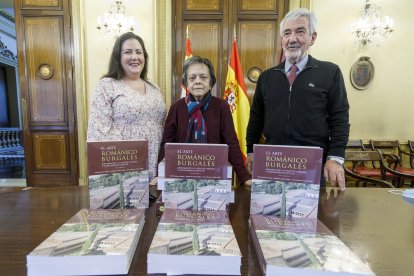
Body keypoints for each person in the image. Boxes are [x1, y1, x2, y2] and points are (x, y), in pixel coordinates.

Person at [246, 8, 349, 191]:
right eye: (287, 33)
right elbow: (256, 119)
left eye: (300, 31)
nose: (292, 39)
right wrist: (251, 151)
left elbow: (339, 119)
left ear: (313, 37)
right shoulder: (267, 77)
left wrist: (335, 157)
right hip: (272, 165)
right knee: (269, 216)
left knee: (312, 218)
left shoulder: (330, 72)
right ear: (282, 41)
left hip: (312, 167)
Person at [159, 56, 251, 185]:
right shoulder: (176, 108)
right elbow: (167, 144)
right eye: (192, 78)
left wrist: (244, 176)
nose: (197, 81)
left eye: (203, 77)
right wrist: (159, 175)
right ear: (186, 83)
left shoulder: (222, 106)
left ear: (211, 82)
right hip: (182, 175)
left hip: (214, 176)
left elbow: (231, 143)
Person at [87, 32, 166, 181]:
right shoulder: (107, 85)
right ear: (118, 57)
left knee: (154, 202)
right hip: (124, 162)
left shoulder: (155, 88)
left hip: (156, 159)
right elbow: (98, 130)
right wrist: (125, 161)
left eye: (139, 52)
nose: (134, 57)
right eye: (128, 52)